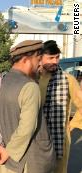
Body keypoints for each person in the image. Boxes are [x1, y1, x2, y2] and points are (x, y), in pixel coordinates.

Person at [0, 40, 56, 173]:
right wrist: (8, 152)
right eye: (38, 59)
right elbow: (27, 127)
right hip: (26, 162)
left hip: (2, 161)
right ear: (25, 60)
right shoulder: (30, 86)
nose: (40, 64)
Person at [39, 40, 82, 173]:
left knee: (58, 170)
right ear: (40, 59)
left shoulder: (68, 79)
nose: (55, 61)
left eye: (57, 57)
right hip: (36, 137)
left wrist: (73, 124)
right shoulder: (32, 78)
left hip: (59, 137)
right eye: (50, 58)